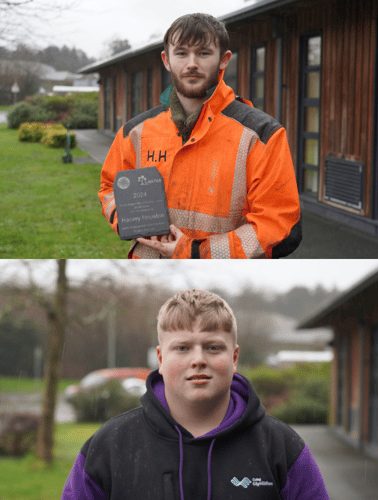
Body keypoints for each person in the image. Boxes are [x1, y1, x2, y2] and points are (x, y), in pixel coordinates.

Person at [61, 289, 329, 500]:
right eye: (182, 348)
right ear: (160, 358)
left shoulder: (282, 447)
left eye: (213, 347)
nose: (198, 359)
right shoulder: (109, 445)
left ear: (234, 357)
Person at [99, 13, 302, 259]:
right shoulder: (135, 132)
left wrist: (196, 252)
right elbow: (111, 187)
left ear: (224, 60)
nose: (192, 63)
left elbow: (278, 223)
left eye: (204, 53)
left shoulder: (261, 135)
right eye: (182, 53)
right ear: (166, 59)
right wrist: (129, 220)